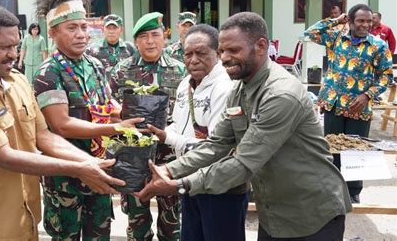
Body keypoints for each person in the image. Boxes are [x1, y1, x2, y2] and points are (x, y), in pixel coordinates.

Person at [137, 12, 352, 240]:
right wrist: (168, 170)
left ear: (260, 46)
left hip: (313, 214)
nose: (225, 58)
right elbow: (217, 144)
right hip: (273, 213)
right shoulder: (240, 89)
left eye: (234, 51)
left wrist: (180, 185)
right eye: (222, 51)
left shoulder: (281, 95)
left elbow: (244, 162)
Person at [0, 4, 125, 240]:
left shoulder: (17, 81)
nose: (14, 54)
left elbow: (44, 135)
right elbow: (3, 156)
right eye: (5, 47)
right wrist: (79, 169)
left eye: (16, 45)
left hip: (25, 219)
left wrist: (93, 163)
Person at [33, 0, 143, 240]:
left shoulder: (94, 64)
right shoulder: (49, 72)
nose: (81, 34)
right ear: (53, 32)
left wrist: (132, 113)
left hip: (100, 170)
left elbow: (107, 104)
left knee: (100, 233)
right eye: (72, 28)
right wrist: (114, 128)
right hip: (66, 181)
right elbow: (61, 124)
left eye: (84, 27)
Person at [148, 24, 249, 241]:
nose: (193, 60)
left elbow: (218, 147)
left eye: (201, 53)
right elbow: (177, 124)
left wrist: (168, 137)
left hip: (221, 187)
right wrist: (156, 131)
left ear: (218, 53)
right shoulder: (186, 83)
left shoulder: (226, 87)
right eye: (188, 54)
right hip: (191, 182)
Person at [305, 4, 393, 203]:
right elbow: (310, 32)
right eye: (361, 20)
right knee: (333, 147)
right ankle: (333, 189)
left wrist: (367, 96)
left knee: (355, 149)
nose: (366, 25)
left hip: (358, 107)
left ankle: (353, 192)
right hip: (334, 104)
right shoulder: (337, 37)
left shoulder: (378, 45)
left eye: (369, 21)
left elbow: (385, 76)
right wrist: (337, 20)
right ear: (351, 21)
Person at [110, 12, 186, 241]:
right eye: (144, 36)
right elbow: (108, 107)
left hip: (170, 158)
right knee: (137, 222)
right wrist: (122, 116)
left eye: (155, 35)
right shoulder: (122, 71)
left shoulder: (180, 70)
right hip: (133, 160)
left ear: (165, 37)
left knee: (172, 223)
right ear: (135, 41)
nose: (150, 41)